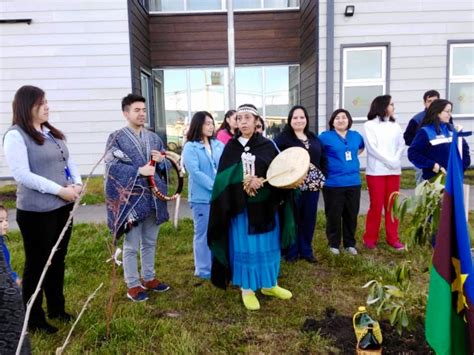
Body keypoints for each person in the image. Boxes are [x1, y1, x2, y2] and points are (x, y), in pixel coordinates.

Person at [3, 85, 82, 333]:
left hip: (62, 208)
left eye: (47, 102)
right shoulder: (16, 135)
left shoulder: (50, 132)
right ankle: (34, 319)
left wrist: (77, 183)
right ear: (28, 107)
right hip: (37, 213)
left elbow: (68, 159)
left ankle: (57, 308)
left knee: (57, 260)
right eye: (42, 103)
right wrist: (60, 190)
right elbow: (22, 175)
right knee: (38, 264)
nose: (48, 107)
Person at [208, 103, 295, 311]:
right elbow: (223, 178)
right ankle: (247, 289)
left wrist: (263, 180)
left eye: (248, 117)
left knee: (268, 246)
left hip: (265, 207)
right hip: (241, 210)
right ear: (235, 122)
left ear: (257, 121)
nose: (243, 121)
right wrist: (245, 180)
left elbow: (279, 172)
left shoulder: (268, 145)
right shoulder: (232, 147)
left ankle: (269, 284)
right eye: (239, 118)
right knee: (244, 246)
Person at [105, 94, 170, 303]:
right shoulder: (116, 138)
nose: (141, 114)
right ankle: (132, 284)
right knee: (132, 244)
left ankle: (149, 277)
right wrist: (138, 171)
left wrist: (161, 162)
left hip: (153, 197)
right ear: (126, 113)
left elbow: (164, 167)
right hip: (131, 198)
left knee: (150, 241)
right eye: (136, 110)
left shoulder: (154, 138)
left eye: (143, 110)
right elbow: (112, 167)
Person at [274, 105, 326, 263]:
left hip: (313, 187)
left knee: (309, 218)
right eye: (295, 118)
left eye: (302, 117)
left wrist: (324, 175)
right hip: (293, 187)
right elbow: (276, 161)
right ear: (290, 120)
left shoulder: (313, 137)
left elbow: (323, 157)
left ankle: (306, 250)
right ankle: (291, 251)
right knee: (292, 218)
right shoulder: (282, 139)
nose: (299, 120)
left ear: (306, 119)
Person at [182, 111, 224, 280]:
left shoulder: (218, 144)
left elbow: (224, 166)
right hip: (201, 198)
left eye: (212, 123)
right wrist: (216, 186)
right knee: (203, 233)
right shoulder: (190, 147)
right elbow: (196, 172)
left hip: (219, 196)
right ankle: (203, 269)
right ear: (198, 125)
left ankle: (216, 264)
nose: (211, 126)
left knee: (216, 232)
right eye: (207, 123)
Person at [362, 95, 405, 250]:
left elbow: (402, 144)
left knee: (392, 205)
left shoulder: (396, 126)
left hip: (394, 171)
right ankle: (370, 239)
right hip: (376, 172)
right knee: (376, 205)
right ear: (382, 106)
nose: (394, 107)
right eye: (391, 104)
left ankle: (392, 238)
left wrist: (395, 160)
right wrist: (389, 161)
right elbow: (372, 148)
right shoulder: (369, 125)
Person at [319, 109, 364, 256]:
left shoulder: (356, 136)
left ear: (349, 120)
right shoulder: (325, 137)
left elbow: (360, 148)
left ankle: (349, 244)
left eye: (344, 117)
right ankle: (334, 244)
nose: (340, 120)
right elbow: (318, 153)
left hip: (353, 182)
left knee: (351, 214)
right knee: (334, 214)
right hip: (333, 183)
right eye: (337, 118)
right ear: (332, 121)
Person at [408, 99, 470, 181]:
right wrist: (432, 165)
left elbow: (465, 151)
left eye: (450, 111)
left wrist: (460, 169)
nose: (450, 114)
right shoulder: (425, 131)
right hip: (433, 181)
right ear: (437, 112)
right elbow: (413, 153)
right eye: (447, 111)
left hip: (454, 179)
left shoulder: (453, 130)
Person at [403, 90, 440, 184]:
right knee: (423, 190)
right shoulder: (417, 119)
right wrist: (422, 144)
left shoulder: (445, 117)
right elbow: (407, 137)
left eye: (435, 101)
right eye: (429, 101)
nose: (432, 104)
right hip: (423, 160)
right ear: (424, 103)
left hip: (441, 160)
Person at [0, 206, 20, 285]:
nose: (5, 223)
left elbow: (7, 266)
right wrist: (14, 279)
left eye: (6, 220)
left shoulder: (2, 242)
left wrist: (14, 277)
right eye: (0, 221)